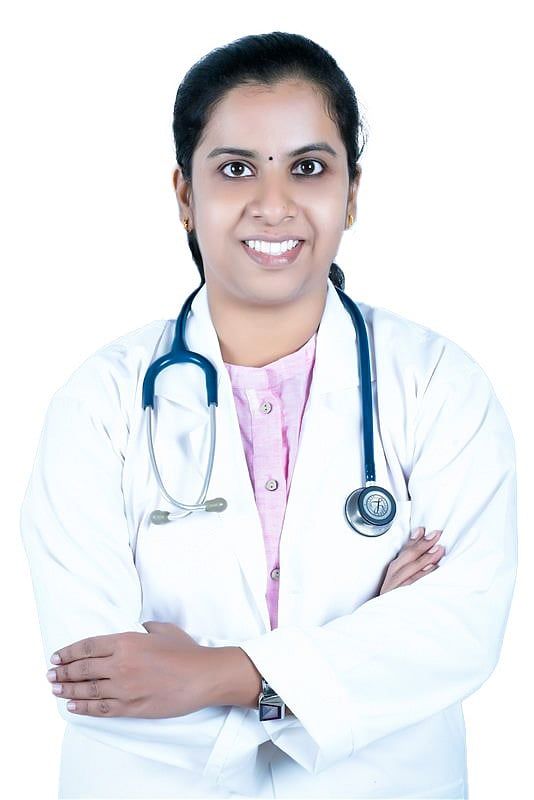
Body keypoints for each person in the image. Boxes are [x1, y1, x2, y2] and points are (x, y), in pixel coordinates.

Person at [20, 31, 517, 800]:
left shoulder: (438, 386)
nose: (274, 204)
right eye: (236, 169)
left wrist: (215, 673)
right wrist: (356, 658)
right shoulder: (100, 402)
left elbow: (457, 631)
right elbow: (95, 677)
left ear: (352, 192)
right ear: (185, 197)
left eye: (308, 168)